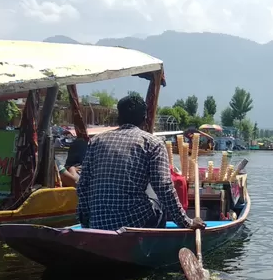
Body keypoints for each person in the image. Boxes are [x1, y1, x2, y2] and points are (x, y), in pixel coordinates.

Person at [76, 94, 206, 231]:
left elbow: (83, 185)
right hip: (135, 222)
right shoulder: (152, 143)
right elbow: (163, 187)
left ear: (118, 118)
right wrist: (186, 222)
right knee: (158, 199)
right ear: (145, 119)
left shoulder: (96, 141)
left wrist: (86, 223)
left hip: (99, 223)